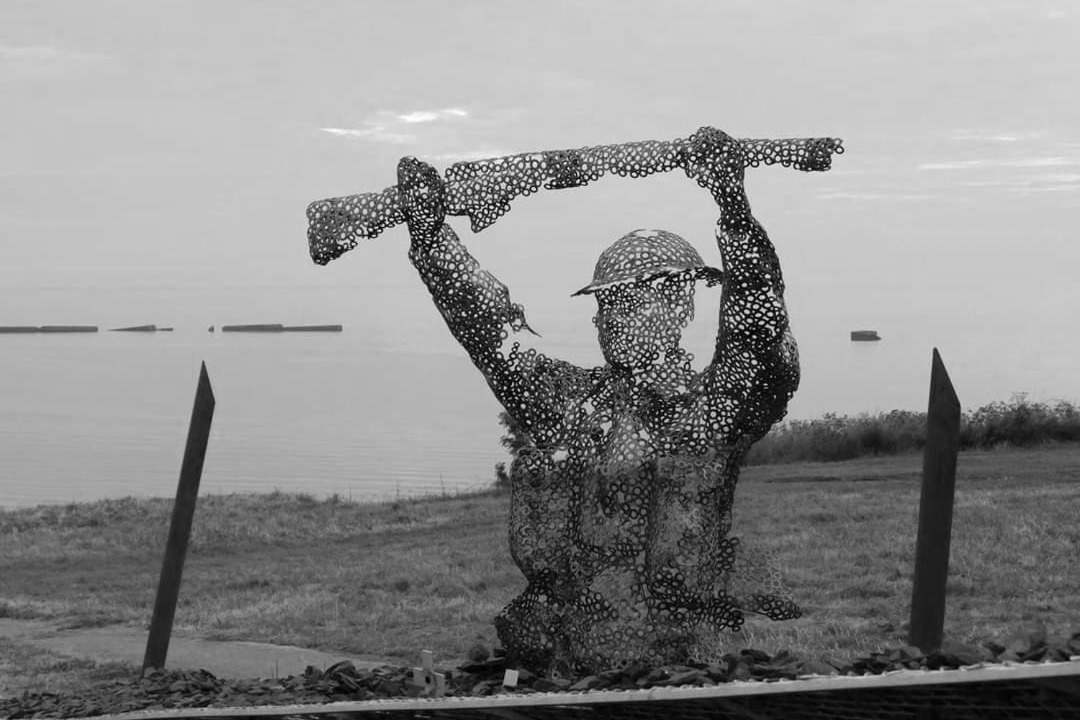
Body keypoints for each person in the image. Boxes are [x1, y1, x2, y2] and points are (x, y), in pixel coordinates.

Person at [312, 126, 843, 673]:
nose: (610, 318)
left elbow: (758, 328)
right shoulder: (576, 407)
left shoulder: (712, 410)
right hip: (569, 664)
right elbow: (494, 336)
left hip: (680, 668)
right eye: (605, 304)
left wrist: (732, 205)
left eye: (632, 302)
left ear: (683, 303)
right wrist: (431, 239)